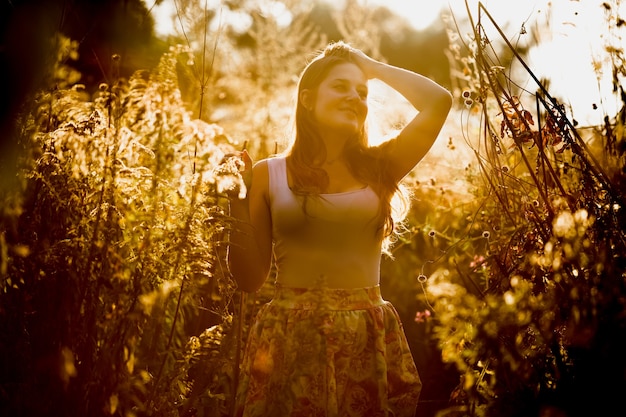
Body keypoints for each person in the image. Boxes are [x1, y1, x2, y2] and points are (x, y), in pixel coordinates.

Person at [227, 41, 452, 417]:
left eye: (361, 92)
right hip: (289, 336)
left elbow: (438, 101)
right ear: (308, 99)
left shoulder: (381, 167)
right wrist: (235, 196)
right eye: (341, 87)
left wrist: (369, 66)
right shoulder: (267, 174)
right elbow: (249, 279)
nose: (354, 97)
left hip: (365, 337)